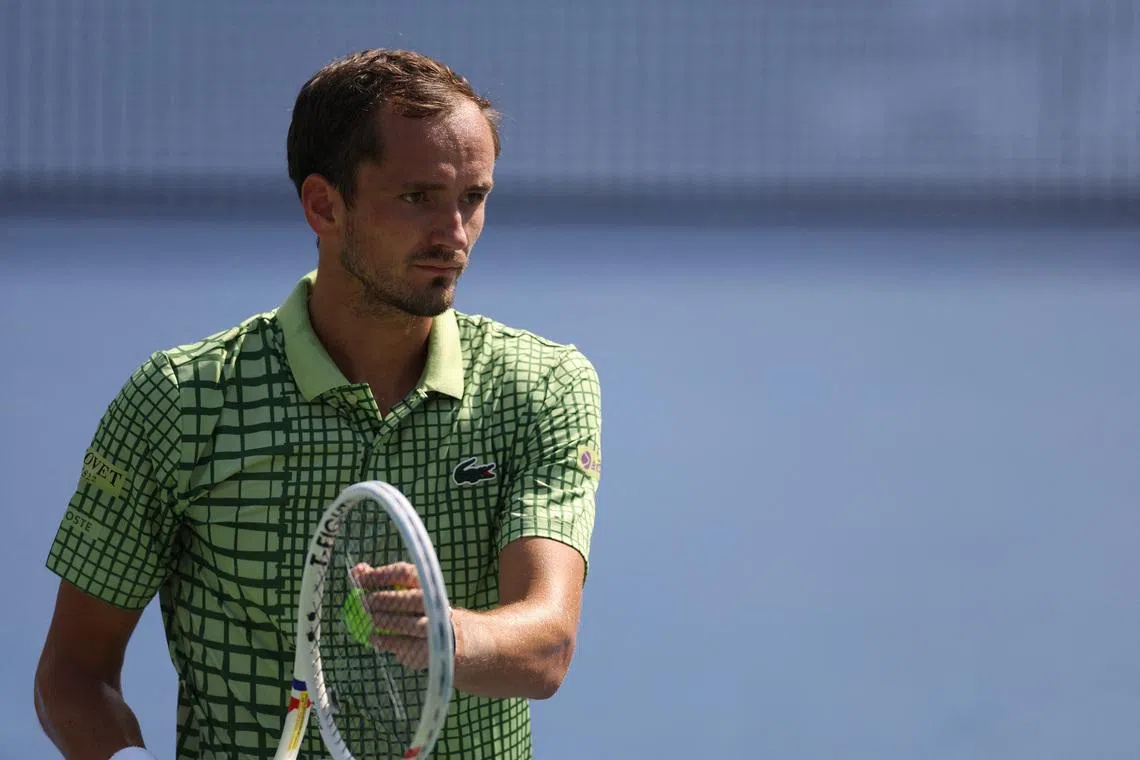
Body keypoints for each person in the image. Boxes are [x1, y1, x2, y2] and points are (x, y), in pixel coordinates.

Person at [34, 48, 602, 760]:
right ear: (324, 205)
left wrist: (445, 634)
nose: (454, 237)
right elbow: (73, 674)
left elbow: (545, 647)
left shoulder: (543, 386)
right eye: (417, 197)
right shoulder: (179, 400)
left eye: (473, 198)